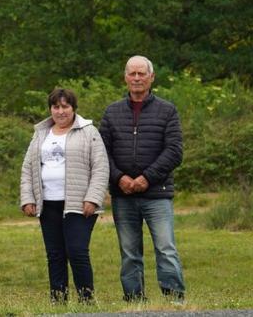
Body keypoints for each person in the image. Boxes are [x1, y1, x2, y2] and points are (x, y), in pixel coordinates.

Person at [100, 56, 186, 303]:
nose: (136, 78)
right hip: (123, 195)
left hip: (157, 193)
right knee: (129, 252)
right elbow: (102, 152)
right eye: (132, 74)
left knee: (166, 248)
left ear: (151, 77)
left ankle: (174, 300)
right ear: (125, 77)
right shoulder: (112, 112)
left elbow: (174, 151)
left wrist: (147, 178)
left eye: (141, 74)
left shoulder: (167, 110)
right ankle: (135, 302)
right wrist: (119, 178)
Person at [20, 88, 109, 304]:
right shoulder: (41, 133)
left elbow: (101, 167)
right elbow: (28, 167)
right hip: (48, 204)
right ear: (51, 109)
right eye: (56, 107)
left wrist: (93, 198)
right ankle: (58, 302)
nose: (60, 111)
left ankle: (86, 301)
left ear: (73, 108)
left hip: (78, 204)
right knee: (55, 255)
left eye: (65, 106)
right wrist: (28, 198)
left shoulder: (89, 132)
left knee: (77, 251)